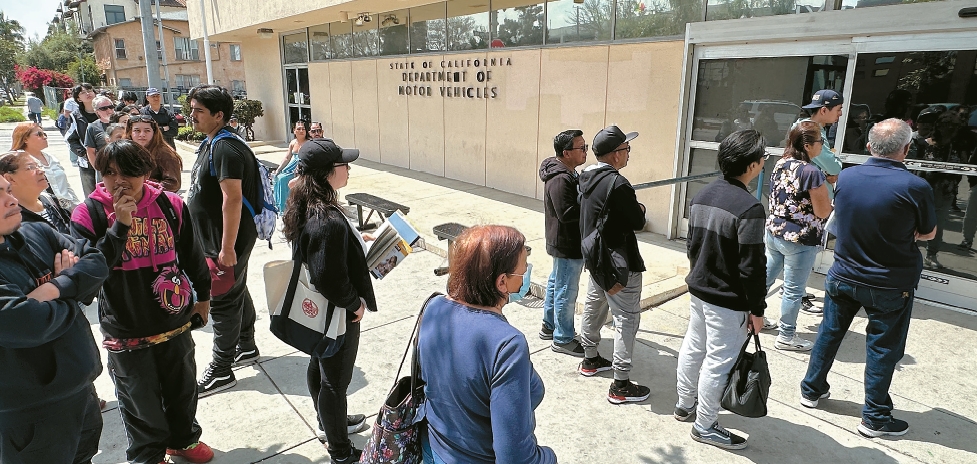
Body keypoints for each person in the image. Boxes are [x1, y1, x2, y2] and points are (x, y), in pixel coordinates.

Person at [69, 140, 215, 464]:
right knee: (139, 400)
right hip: (126, 327)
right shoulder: (89, 213)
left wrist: (203, 298)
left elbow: (193, 254)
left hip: (174, 322)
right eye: (110, 173)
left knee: (183, 389)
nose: (119, 181)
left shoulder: (171, 205)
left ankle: (183, 440)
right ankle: (148, 456)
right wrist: (120, 226)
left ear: (146, 173)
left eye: (129, 172)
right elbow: (87, 276)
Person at [800, 119, 937, 438]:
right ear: (906, 149)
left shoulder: (847, 176)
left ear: (868, 146)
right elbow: (928, 232)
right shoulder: (916, 187)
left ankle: (811, 390)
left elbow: (844, 213)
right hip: (890, 284)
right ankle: (874, 417)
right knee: (883, 348)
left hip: (843, 275)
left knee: (829, 333)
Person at [419, 225, 558, 464]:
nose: (526, 275)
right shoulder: (507, 345)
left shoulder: (433, 307)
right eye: (523, 271)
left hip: (434, 450)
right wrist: (548, 457)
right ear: (502, 282)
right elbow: (515, 458)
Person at [0, 172, 109, 464]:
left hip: (81, 392)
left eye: (8, 190)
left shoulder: (35, 232)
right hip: (31, 415)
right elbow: (24, 323)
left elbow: (96, 262)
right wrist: (74, 294)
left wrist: (55, 288)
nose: (11, 200)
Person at [281, 138, 372, 464]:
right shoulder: (325, 219)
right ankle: (341, 452)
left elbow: (324, 257)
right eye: (343, 164)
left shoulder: (308, 204)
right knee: (335, 382)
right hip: (336, 313)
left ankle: (328, 422)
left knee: (319, 366)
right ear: (326, 173)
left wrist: (358, 242)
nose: (348, 168)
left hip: (319, 311)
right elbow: (327, 277)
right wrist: (355, 304)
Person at [678, 130, 768, 450]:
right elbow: (752, 267)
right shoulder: (750, 208)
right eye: (763, 158)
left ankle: (685, 404)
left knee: (694, 346)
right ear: (752, 165)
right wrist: (758, 310)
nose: (763, 163)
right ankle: (705, 425)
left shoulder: (702, 194)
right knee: (718, 362)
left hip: (699, 288)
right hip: (727, 300)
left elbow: (692, 245)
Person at [186, 85, 262, 397]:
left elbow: (233, 199)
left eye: (199, 111)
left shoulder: (225, 149)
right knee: (235, 288)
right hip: (216, 238)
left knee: (222, 299)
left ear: (219, 115)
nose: (191, 116)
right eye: (192, 109)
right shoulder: (213, 142)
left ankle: (221, 369)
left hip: (226, 240)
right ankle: (246, 345)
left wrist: (227, 247)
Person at [576, 125, 650, 404]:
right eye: (626, 149)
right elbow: (638, 221)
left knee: (594, 307)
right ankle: (620, 385)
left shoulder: (586, 177)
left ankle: (590, 359)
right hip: (619, 265)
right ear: (615, 154)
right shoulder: (618, 184)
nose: (629, 153)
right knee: (626, 318)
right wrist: (640, 209)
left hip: (596, 259)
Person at [763, 121, 832, 350]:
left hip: (775, 232)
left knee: (765, 279)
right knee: (793, 291)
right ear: (808, 145)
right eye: (821, 141)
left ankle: (752, 317)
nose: (822, 145)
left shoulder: (781, 163)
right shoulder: (811, 172)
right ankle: (786, 336)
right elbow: (822, 211)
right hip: (800, 240)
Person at [538, 129, 587, 356]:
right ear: (567, 153)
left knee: (557, 283)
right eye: (581, 148)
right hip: (567, 243)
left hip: (562, 242)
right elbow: (566, 213)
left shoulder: (567, 172)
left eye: (586, 147)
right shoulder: (560, 178)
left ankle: (549, 326)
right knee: (566, 291)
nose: (585, 151)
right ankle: (563, 338)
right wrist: (591, 204)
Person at [915, 110, 975, 269]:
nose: (950, 129)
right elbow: (918, 167)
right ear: (939, 126)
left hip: (946, 192)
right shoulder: (926, 144)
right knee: (915, 223)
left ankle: (931, 255)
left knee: (938, 226)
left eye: (954, 126)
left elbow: (964, 167)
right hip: (924, 191)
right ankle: (908, 254)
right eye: (947, 125)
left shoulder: (958, 146)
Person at [10, 122, 80, 209]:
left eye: (44, 134)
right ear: (25, 139)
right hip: (43, 209)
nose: (45, 137)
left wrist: (78, 207)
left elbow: (66, 186)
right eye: (39, 134)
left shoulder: (51, 158)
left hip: (67, 208)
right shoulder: (18, 161)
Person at [0, 151, 71, 235]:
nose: (41, 171)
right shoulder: (12, 217)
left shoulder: (50, 200)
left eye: (38, 166)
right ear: (10, 179)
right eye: (30, 167)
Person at [793, 89, 844, 197]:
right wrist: (834, 169)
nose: (840, 113)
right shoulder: (811, 133)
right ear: (823, 110)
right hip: (811, 198)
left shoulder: (803, 127)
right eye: (838, 109)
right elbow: (833, 167)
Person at [128, 115, 183, 192]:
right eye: (137, 130)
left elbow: (173, 183)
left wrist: (146, 189)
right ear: (130, 132)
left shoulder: (164, 153)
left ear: (154, 132)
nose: (142, 134)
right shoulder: (126, 151)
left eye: (147, 130)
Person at [67, 83, 99, 196]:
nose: (88, 93)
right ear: (78, 98)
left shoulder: (106, 111)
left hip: (109, 158)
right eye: (83, 92)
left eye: (89, 90)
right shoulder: (75, 116)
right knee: (91, 194)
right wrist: (84, 154)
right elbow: (70, 139)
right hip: (87, 163)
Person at [273, 120, 311, 214]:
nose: (301, 131)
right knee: (277, 177)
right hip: (290, 167)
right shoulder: (293, 143)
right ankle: (279, 206)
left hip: (300, 168)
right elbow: (287, 158)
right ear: (294, 131)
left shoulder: (309, 143)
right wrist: (278, 169)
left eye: (303, 129)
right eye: (299, 129)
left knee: (283, 179)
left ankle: (286, 208)